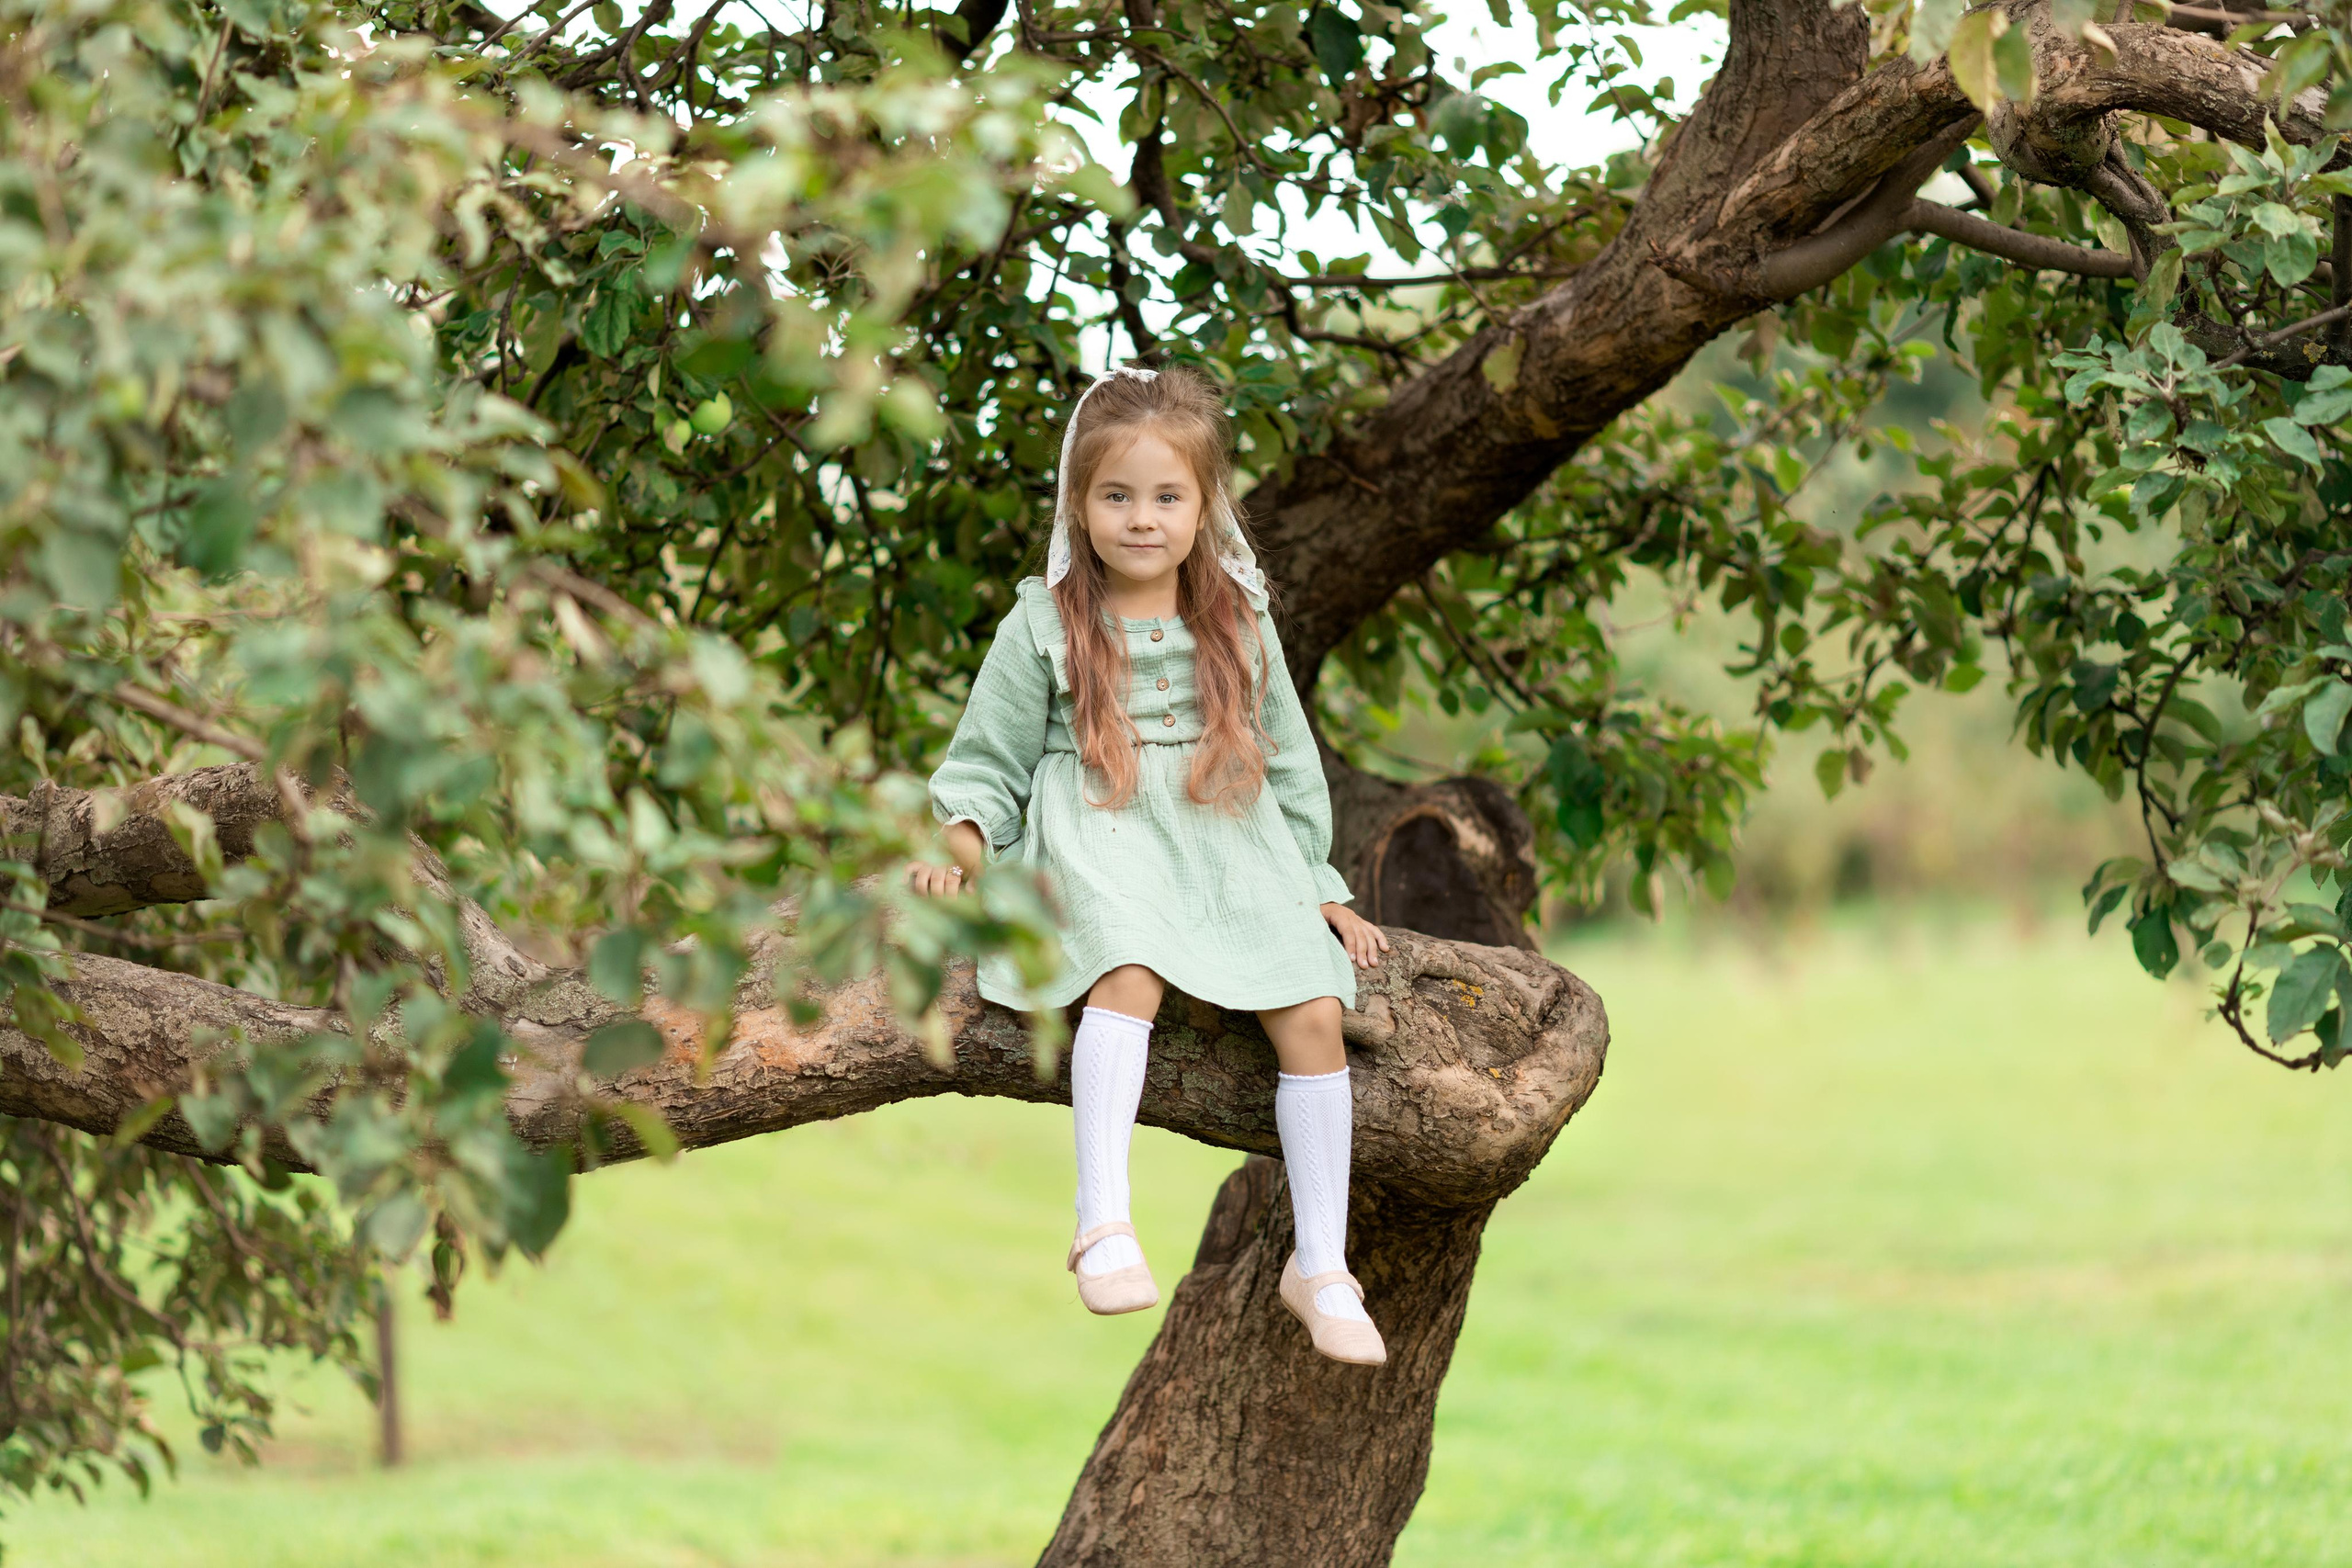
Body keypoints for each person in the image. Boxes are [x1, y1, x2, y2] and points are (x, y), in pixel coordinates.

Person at [909, 364, 1392, 1366]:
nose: (1141, 519)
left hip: (1227, 837)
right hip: (1102, 825)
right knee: (1124, 968)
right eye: (1115, 496)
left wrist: (1321, 889)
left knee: (1309, 1008)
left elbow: (1290, 761)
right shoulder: (1041, 623)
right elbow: (986, 764)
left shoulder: (1235, 619)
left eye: (1167, 496)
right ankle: (1103, 1220)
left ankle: (1320, 1262)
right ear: (1077, 506)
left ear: (1204, 506)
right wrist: (961, 847)